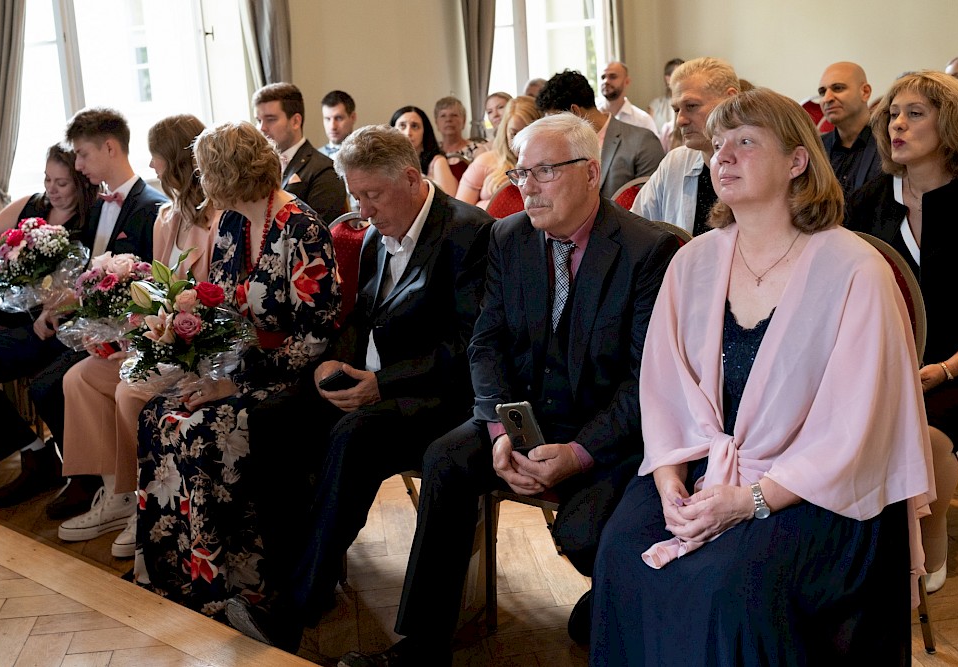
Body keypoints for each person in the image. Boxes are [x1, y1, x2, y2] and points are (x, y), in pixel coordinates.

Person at [592, 88, 933, 665]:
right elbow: (665, 390)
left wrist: (749, 500)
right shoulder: (693, 261)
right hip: (702, 467)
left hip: (820, 491)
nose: (722, 155)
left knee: (726, 584)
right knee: (619, 549)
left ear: (797, 162)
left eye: (745, 142)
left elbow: (854, 430)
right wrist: (670, 480)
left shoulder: (854, 269)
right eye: (718, 143)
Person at [337, 113, 678, 666]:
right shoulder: (509, 236)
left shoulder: (647, 251)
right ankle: (423, 645)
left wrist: (578, 453)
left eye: (544, 171)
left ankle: (617, 599)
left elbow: (646, 383)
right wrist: (498, 427)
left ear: (591, 173)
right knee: (447, 458)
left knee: (586, 531)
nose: (527, 187)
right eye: (521, 172)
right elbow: (486, 344)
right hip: (522, 417)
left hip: (605, 432)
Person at [222, 124, 493, 651]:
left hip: (433, 396)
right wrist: (335, 364)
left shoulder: (468, 232)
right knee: (270, 420)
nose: (363, 210)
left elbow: (468, 345)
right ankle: (292, 580)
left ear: (412, 180)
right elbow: (360, 317)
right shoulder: (374, 234)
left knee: (353, 436)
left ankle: (293, 611)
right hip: (368, 384)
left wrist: (382, 382)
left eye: (373, 195)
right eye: (356, 195)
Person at [132, 121, 339, 615]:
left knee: (203, 428)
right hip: (240, 363)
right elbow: (223, 311)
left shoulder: (301, 228)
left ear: (226, 174)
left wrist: (234, 382)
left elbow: (316, 334)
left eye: (205, 170)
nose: (199, 179)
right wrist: (202, 364)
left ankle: (233, 578)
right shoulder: (231, 223)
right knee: (160, 414)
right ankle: (176, 567)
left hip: (289, 374)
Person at [846, 70, 958, 595]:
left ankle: (933, 530)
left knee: (926, 437)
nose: (896, 124)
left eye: (914, 114)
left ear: (949, 125)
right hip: (885, 359)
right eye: (892, 114)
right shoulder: (870, 200)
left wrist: (946, 369)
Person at [56, 114, 222, 559]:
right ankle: (116, 493)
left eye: (158, 157)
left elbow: (212, 298)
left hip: (199, 349)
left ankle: (142, 503)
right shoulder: (167, 217)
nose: (151, 165)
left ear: (179, 162)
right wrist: (124, 335)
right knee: (81, 377)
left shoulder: (220, 219)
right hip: (162, 338)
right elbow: (157, 289)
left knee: (130, 390)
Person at [0, 108, 165, 511]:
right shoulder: (102, 205)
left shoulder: (150, 206)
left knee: (47, 385)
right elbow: (87, 274)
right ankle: (66, 468)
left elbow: (144, 286)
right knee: (45, 379)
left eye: (82, 155)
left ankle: (92, 481)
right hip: (76, 324)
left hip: (116, 334)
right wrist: (56, 307)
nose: (78, 164)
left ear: (109, 147)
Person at [0, 144, 98, 334]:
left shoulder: (93, 220)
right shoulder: (31, 204)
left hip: (38, 318)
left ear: (82, 183)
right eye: (47, 179)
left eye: (61, 183)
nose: (51, 189)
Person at [631, 57, 738, 236]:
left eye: (691, 106)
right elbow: (634, 230)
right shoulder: (675, 162)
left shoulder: (758, 165)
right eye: (676, 110)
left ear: (730, 99)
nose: (680, 120)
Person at [535, 70, 664, 200]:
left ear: (575, 112)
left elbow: (649, 206)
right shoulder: (559, 149)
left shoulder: (642, 142)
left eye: (554, 121)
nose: (551, 129)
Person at [253, 82, 346, 223]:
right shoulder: (255, 168)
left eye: (270, 119)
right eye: (258, 121)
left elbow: (318, 231)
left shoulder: (324, 170)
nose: (262, 128)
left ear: (295, 121)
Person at [457, 96, 541, 208]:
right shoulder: (484, 162)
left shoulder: (551, 167)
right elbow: (458, 213)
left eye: (527, 135)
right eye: (514, 134)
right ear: (505, 133)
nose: (520, 143)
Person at [817, 61, 883, 197]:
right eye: (822, 92)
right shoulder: (816, 147)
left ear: (865, 92)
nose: (827, 98)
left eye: (838, 88)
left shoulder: (890, 143)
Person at [390, 106, 458, 196]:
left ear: (424, 132)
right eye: (402, 126)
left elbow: (451, 203)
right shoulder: (385, 163)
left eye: (414, 126)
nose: (408, 132)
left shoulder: (437, 162)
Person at [598, 61, 659, 135]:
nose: (606, 81)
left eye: (613, 77)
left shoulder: (643, 121)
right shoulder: (590, 118)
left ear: (626, 81)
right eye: (603, 77)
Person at [433, 96, 488, 161]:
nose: (448, 119)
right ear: (436, 123)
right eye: (443, 116)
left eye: (454, 115)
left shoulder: (478, 150)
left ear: (464, 121)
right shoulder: (432, 151)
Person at [647, 58, 684, 136]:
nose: (683, 79)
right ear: (667, 78)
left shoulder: (692, 104)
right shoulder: (655, 105)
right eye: (679, 75)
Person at [319, 90, 357, 157]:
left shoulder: (364, 155)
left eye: (338, 118)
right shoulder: (316, 157)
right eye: (327, 119)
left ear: (353, 117)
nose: (332, 127)